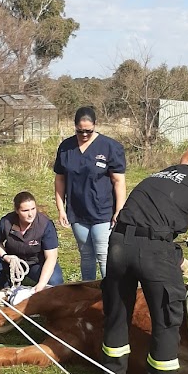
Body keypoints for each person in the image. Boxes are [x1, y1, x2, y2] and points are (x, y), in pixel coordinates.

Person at [100, 145, 188, 374]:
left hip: (117, 244)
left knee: (117, 313)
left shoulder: (154, 177)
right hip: (154, 251)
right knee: (167, 319)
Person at [54, 106, 126, 280]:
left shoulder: (110, 147)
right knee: (86, 255)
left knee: (103, 255)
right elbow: (60, 179)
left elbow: (118, 181)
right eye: (80, 131)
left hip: (103, 211)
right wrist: (61, 209)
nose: (84, 134)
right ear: (74, 126)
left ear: (95, 125)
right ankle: (88, 292)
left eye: (88, 131)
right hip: (77, 212)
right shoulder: (66, 147)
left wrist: (119, 210)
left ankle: (110, 295)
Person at [0, 191, 64, 293]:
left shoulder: (45, 225)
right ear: (17, 210)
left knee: (55, 282)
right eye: (25, 210)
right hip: (13, 261)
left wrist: (41, 284)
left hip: (36, 263)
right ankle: (8, 287)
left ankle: (36, 288)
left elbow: (51, 257)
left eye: (33, 209)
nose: (30, 214)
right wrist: (6, 257)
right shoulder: (6, 222)